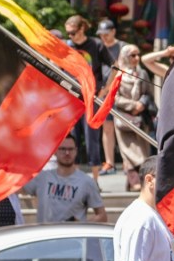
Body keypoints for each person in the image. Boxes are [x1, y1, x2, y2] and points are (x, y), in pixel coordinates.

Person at [65, 15, 113, 182]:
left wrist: (104, 90)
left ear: (81, 29)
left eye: (72, 33)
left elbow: (114, 67)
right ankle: (75, 179)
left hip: (91, 97)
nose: (70, 37)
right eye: (68, 34)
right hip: (72, 98)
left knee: (91, 138)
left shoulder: (96, 45)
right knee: (73, 137)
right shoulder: (67, 46)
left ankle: (95, 181)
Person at [22, 135, 107, 223]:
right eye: (62, 149)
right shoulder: (42, 178)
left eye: (70, 149)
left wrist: (80, 225)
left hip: (71, 236)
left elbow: (102, 216)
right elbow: (15, 187)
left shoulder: (87, 182)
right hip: (45, 235)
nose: (67, 153)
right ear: (55, 151)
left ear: (76, 151)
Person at [111, 44, 153, 191]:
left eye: (138, 55)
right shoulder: (119, 75)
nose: (136, 58)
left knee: (143, 152)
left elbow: (149, 93)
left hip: (140, 120)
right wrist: (132, 105)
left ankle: (140, 183)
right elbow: (115, 97)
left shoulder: (142, 73)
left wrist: (141, 104)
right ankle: (134, 182)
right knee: (128, 153)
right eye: (132, 55)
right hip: (123, 119)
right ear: (125, 57)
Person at [97, 19, 125, 176]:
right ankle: (109, 162)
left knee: (124, 127)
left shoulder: (122, 47)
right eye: (101, 35)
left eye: (106, 34)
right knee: (107, 127)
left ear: (113, 31)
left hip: (121, 93)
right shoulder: (98, 47)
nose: (104, 37)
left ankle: (129, 164)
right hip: (104, 93)